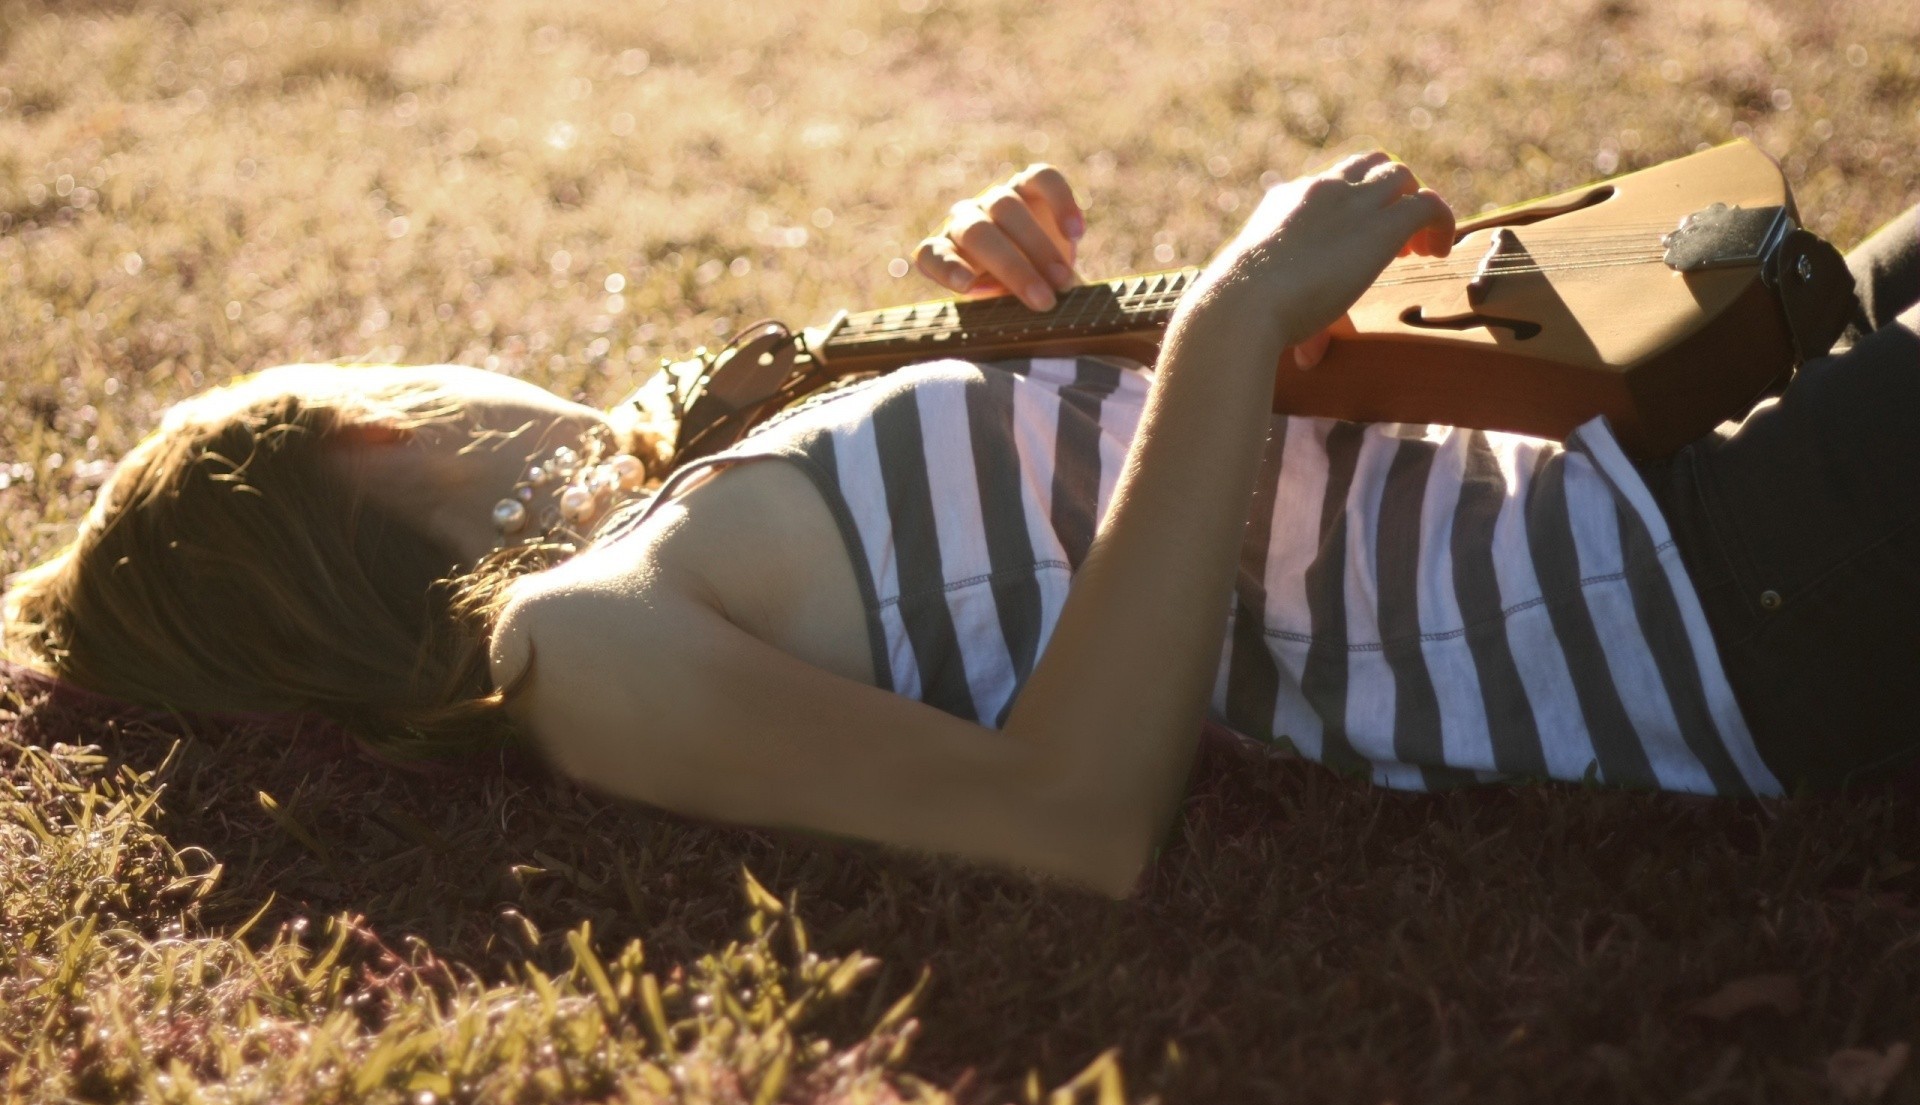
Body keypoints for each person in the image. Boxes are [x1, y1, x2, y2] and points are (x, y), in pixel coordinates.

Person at [3, 155, 1915, 896]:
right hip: (1693, 607)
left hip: (1638, 479)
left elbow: (1085, 547)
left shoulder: (693, 498)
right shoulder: (578, 646)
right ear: (359, 435)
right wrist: (1234, 320)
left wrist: (1035, 338)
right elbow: (1071, 817)